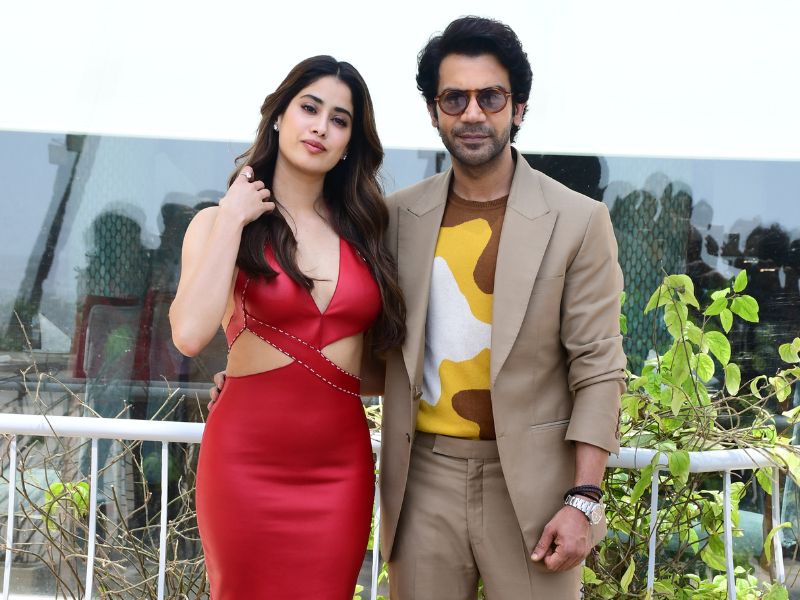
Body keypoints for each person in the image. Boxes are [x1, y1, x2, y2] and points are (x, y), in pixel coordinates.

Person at [360, 16, 627, 599]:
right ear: (434, 112)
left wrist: (584, 497)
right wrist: (260, 374)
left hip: (535, 488)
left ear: (519, 108)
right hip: (422, 478)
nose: (472, 113)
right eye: (454, 98)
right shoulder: (395, 218)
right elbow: (355, 335)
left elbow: (598, 365)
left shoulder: (578, 221)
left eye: (491, 97)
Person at [171, 55, 405, 599]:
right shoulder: (218, 223)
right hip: (244, 462)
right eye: (309, 108)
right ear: (279, 115)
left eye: (340, 120)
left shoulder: (367, 233)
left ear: (350, 142)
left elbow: (371, 366)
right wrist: (234, 217)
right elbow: (190, 334)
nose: (321, 127)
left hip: (339, 470)